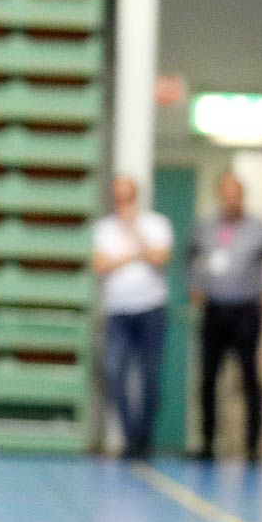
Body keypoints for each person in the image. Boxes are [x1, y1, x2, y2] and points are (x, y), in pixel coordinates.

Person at [189, 172, 262, 462]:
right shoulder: (205, 228)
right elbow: (188, 257)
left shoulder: (261, 229)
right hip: (215, 310)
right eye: (226, 194)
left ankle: (253, 444)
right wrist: (194, 287)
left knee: (249, 377)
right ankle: (207, 441)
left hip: (246, 311)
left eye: (236, 194)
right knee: (208, 377)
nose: (231, 200)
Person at [93, 175, 172, 459]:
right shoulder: (103, 229)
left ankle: (144, 439)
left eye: (127, 196)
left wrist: (135, 234)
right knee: (114, 374)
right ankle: (129, 439)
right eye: (118, 197)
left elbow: (159, 258)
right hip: (118, 311)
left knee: (150, 376)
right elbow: (101, 265)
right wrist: (137, 254)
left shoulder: (156, 224)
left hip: (151, 309)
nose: (122, 202)